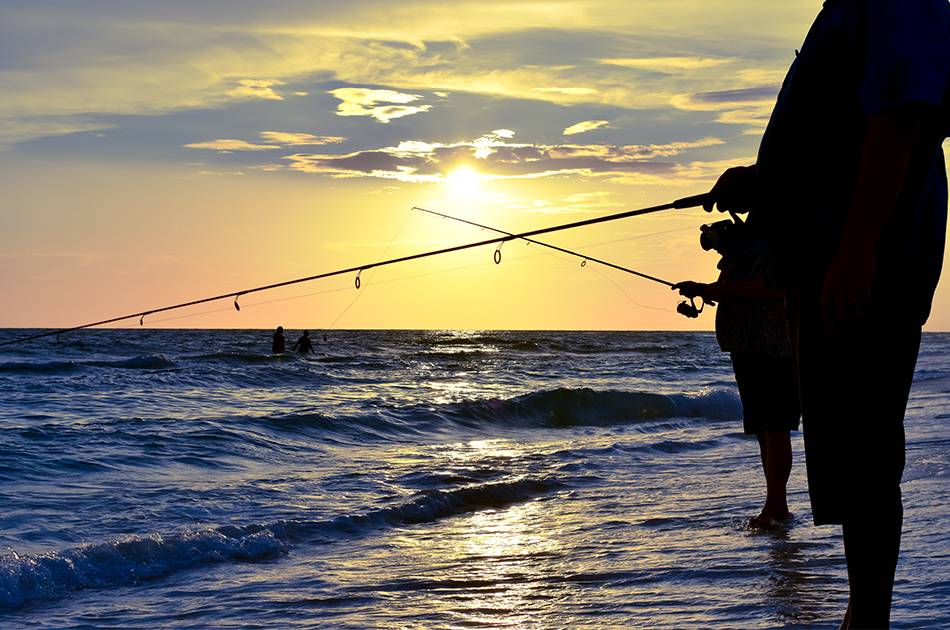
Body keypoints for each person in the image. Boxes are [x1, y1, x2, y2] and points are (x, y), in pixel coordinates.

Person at [703, 2, 949, 626]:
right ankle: (863, 616)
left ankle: (867, 619)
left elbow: (900, 119)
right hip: (834, 258)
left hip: (864, 264)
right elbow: (836, 140)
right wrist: (764, 183)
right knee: (852, 450)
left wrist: (857, 252)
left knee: (864, 452)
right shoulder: (846, 11)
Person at [674, 215, 800, 529]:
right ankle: (776, 506)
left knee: (775, 428)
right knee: (763, 430)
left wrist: (711, 289)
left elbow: (773, 288)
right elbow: (738, 289)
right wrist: (707, 290)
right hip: (747, 347)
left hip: (774, 347)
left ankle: (775, 507)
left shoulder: (774, 243)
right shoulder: (743, 251)